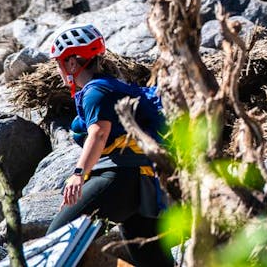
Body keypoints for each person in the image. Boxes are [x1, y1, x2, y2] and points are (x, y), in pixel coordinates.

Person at [46, 24, 173, 267]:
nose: (59, 69)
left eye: (59, 62)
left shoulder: (96, 91)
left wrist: (78, 174)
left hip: (119, 178)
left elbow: (98, 134)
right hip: (144, 182)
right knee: (152, 258)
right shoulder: (111, 86)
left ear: (72, 63)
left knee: (59, 238)